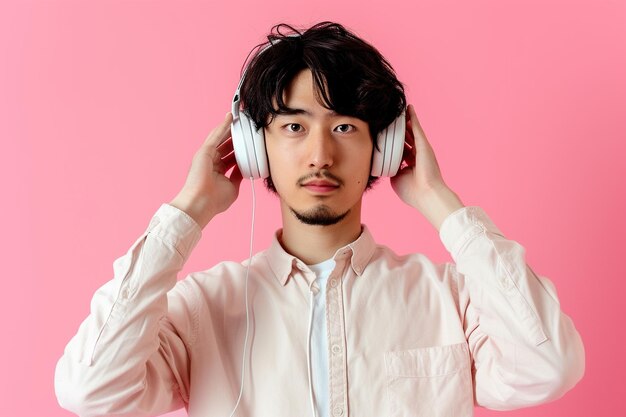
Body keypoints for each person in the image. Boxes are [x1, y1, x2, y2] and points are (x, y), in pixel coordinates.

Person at [55, 22, 585, 417]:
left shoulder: (449, 298)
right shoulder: (203, 310)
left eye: (346, 127)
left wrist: (438, 201)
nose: (319, 155)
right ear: (252, 146)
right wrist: (189, 210)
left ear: (385, 147)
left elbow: (547, 367)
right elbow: (92, 390)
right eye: (293, 126)